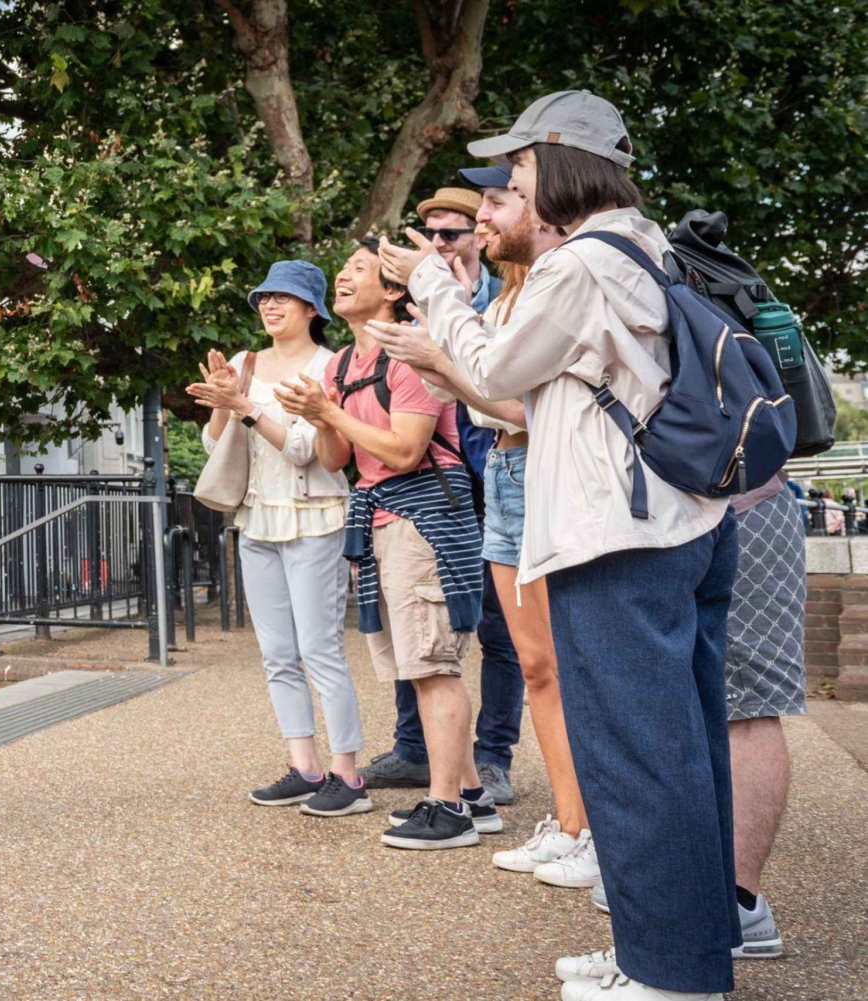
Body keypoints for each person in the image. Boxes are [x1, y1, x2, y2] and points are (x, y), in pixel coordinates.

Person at [376, 91, 738, 1000]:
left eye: (522, 171)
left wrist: (436, 292)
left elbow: (495, 371)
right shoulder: (645, 249)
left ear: (566, 166)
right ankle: (681, 948)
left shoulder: (584, 264)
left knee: (636, 752)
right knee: (681, 749)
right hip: (676, 524)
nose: (513, 188)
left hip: (615, 539)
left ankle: (669, 973)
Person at [375, 167, 597, 887]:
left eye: (495, 202)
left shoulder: (557, 285)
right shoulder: (506, 293)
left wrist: (440, 361)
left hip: (537, 470)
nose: (481, 220)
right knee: (537, 666)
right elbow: (489, 400)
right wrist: (440, 370)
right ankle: (571, 824)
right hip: (502, 476)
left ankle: (589, 827)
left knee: (558, 666)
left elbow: (526, 408)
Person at [276, 241, 497, 851]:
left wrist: (329, 412)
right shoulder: (340, 364)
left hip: (427, 516)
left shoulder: (412, 354)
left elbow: (404, 450)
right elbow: (337, 458)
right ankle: (474, 798)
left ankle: (447, 808)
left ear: (394, 291)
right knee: (415, 664)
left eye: (358, 270)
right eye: (343, 269)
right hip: (383, 519)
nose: (342, 277)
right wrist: (322, 416)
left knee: (433, 665)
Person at [594, 468, 806, 964]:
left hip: (736, 505)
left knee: (748, 706)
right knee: (701, 704)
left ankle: (738, 902)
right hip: (689, 511)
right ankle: (696, 897)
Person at [359, 185, 526, 810]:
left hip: (498, 482)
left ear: (478, 238)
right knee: (417, 623)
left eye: (451, 234)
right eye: (429, 235)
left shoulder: (502, 299)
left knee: (500, 632)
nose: (437, 245)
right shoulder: (413, 311)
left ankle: (491, 758)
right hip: (440, 493)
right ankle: (416, 749)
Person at [186, 260, 366, 818]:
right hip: (257, 518)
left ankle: (348, 775)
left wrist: (245, 406)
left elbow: (304, 449)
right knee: (277, 653)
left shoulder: (330, 365)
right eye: (263, 297)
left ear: (312, 308)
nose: (269, 305)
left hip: (316, 515)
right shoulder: (245, 362)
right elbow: (216, 442)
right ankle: (305, 766)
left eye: (283, 297)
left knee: (320, 650)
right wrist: (223, 402)